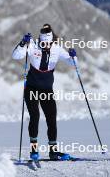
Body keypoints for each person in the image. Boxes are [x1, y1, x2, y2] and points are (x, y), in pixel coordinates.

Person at [12, 24, 77, 161]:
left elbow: (72, 63)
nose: (46, 45)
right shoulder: (32, 45)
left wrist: (73, 56)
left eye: (49, 42)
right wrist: (23, 43)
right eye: (44, 42)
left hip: (47, 90)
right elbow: (16, 56)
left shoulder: (57, 48)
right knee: (35, 116)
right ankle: (34, 150)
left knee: (51, 118)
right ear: (40, 40)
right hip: (31, 88)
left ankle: (53, 151)